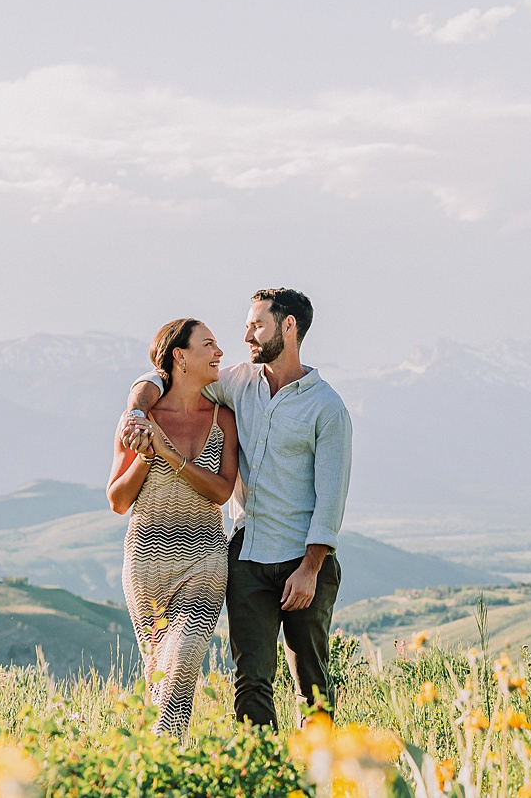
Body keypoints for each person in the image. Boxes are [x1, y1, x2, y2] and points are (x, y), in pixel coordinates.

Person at [118, 287, 352, 728]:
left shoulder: (327, 408)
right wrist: (136, 411)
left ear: (289, 327)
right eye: (247, 325)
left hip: (304, 563)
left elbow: (331, 497)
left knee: (312, 687)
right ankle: (259, 775)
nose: (246, 335)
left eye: (256, 325)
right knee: (250, 682)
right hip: (246, 557)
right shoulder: (237, 382)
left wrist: (310, 567)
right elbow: (163, 377)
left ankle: (319, 779)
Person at [106, 317, 239, 739]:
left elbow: (221, 492)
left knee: (182, 660)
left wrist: (168, 452)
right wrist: (146, 457)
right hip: (146, 563)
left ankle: (163, 753)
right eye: (209, 344)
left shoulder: (224, 418)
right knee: (160, 674)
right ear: (180, 356)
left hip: (204, 559)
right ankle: (167, 764)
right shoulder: (138, 419)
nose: (219, 353)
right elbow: (117, 500)